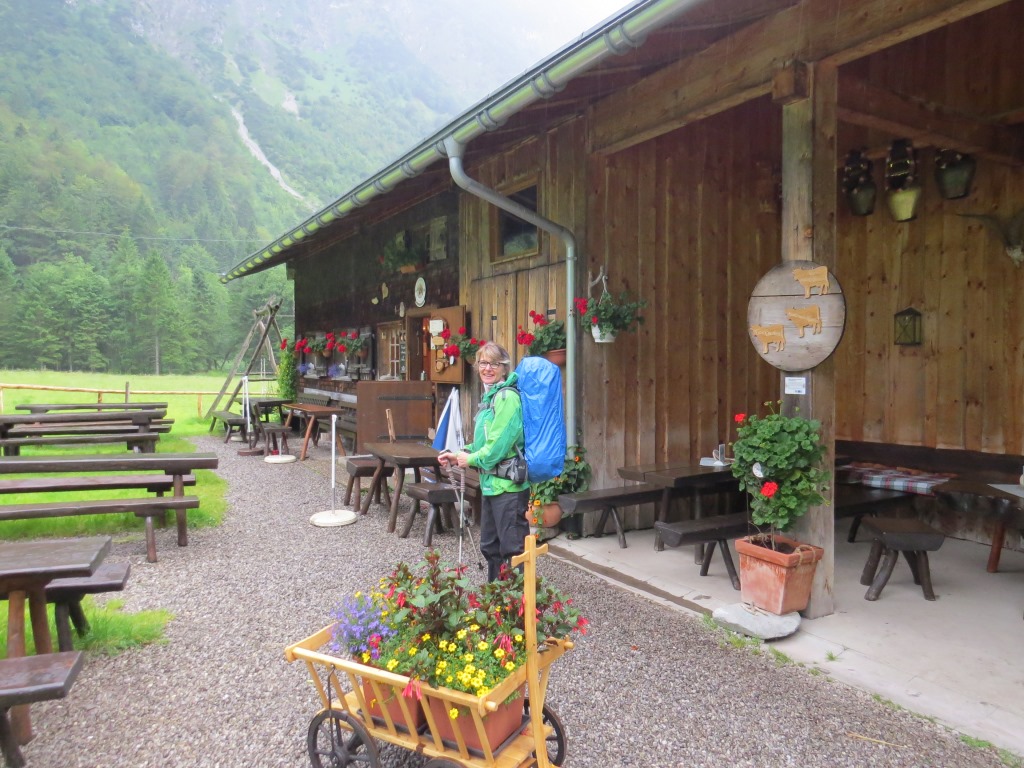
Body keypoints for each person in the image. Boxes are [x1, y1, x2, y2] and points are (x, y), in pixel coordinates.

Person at [438, 341, 529, 581]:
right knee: (490, 546)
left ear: (504, 367)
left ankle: (518, 600)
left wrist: (470, 459)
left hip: (508, 487)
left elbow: (497, 447)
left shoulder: (507, 398)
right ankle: (495, 598)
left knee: (513, 550)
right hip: (491, 485)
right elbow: (483, 444)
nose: (487, 368)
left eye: (494, 364)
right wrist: (459, 454)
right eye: (483, 363)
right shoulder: (491, 398)